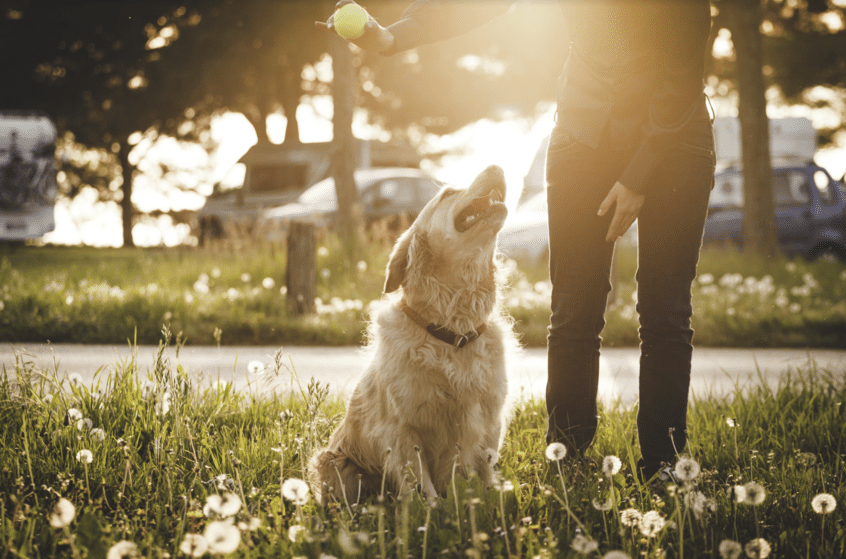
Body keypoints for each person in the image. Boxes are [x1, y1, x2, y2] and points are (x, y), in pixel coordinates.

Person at [318, 0, 715, 482]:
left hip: (674, 141)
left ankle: (665, 466)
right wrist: (394, 35)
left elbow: (683, 63)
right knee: (573, 309)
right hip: (585, 133)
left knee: (666, 311)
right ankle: (567, 463)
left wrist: (637, 176)